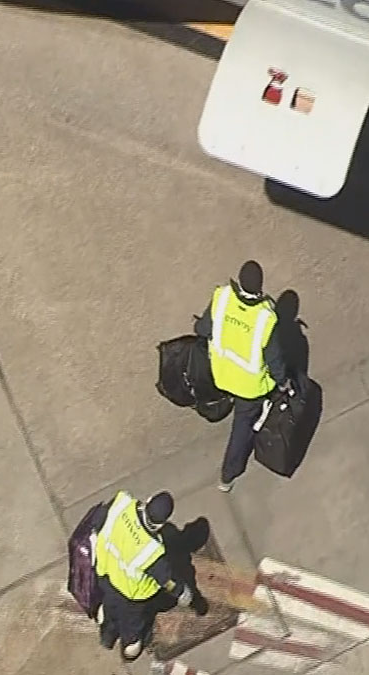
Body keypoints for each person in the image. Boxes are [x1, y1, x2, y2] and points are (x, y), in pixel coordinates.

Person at [193, 260, 290, 493]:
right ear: (261, 287)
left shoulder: (222, 297)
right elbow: (274, 361)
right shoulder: (266, 319)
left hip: (221, 374)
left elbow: (202, 330)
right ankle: (227, 476)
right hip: (250, 388)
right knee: (241, 429)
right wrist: (284, 383)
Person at [88, 490, 193, 661]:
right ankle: (129, 652)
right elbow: (167, 581)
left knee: (110, 608)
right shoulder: (150, 551)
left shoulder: (122, 504)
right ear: (161, 524)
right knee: (132, 627)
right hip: (130, 597)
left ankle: (107, 636)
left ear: (148, 500)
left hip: (106, 576)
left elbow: (99, 518)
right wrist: (182, 592)